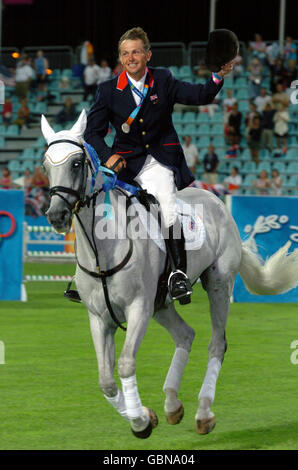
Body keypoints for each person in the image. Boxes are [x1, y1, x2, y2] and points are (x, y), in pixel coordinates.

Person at [84, 26, 235, 302]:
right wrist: (107, 155)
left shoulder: (164, 79)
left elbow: (200, 95)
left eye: (136, 52)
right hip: (123, 164)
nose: (131, 57)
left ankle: (177, 274)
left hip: (158, 160)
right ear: (120, 58)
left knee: (166, 204)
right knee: (97, 206)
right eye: (126, 53)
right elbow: (92, 132)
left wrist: (216, 77)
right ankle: (85, 275)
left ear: (148, 55)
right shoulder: (107, 90)